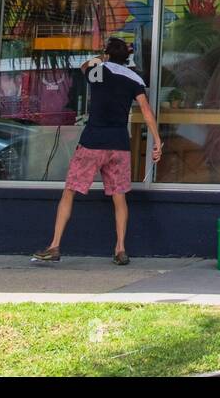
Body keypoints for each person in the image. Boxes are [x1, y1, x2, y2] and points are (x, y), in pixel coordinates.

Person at [32, 37, 162, 265]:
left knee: (70, 191)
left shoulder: (99, 71)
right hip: (119, 144)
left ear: (108, 54)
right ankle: (120, 248)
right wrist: (157, 141)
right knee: (119, 197)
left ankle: (54, 245)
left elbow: (84, 67)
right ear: (127, 58)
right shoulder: (134, 79)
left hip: (92, 141)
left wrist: (100, 57)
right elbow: (146, 110)